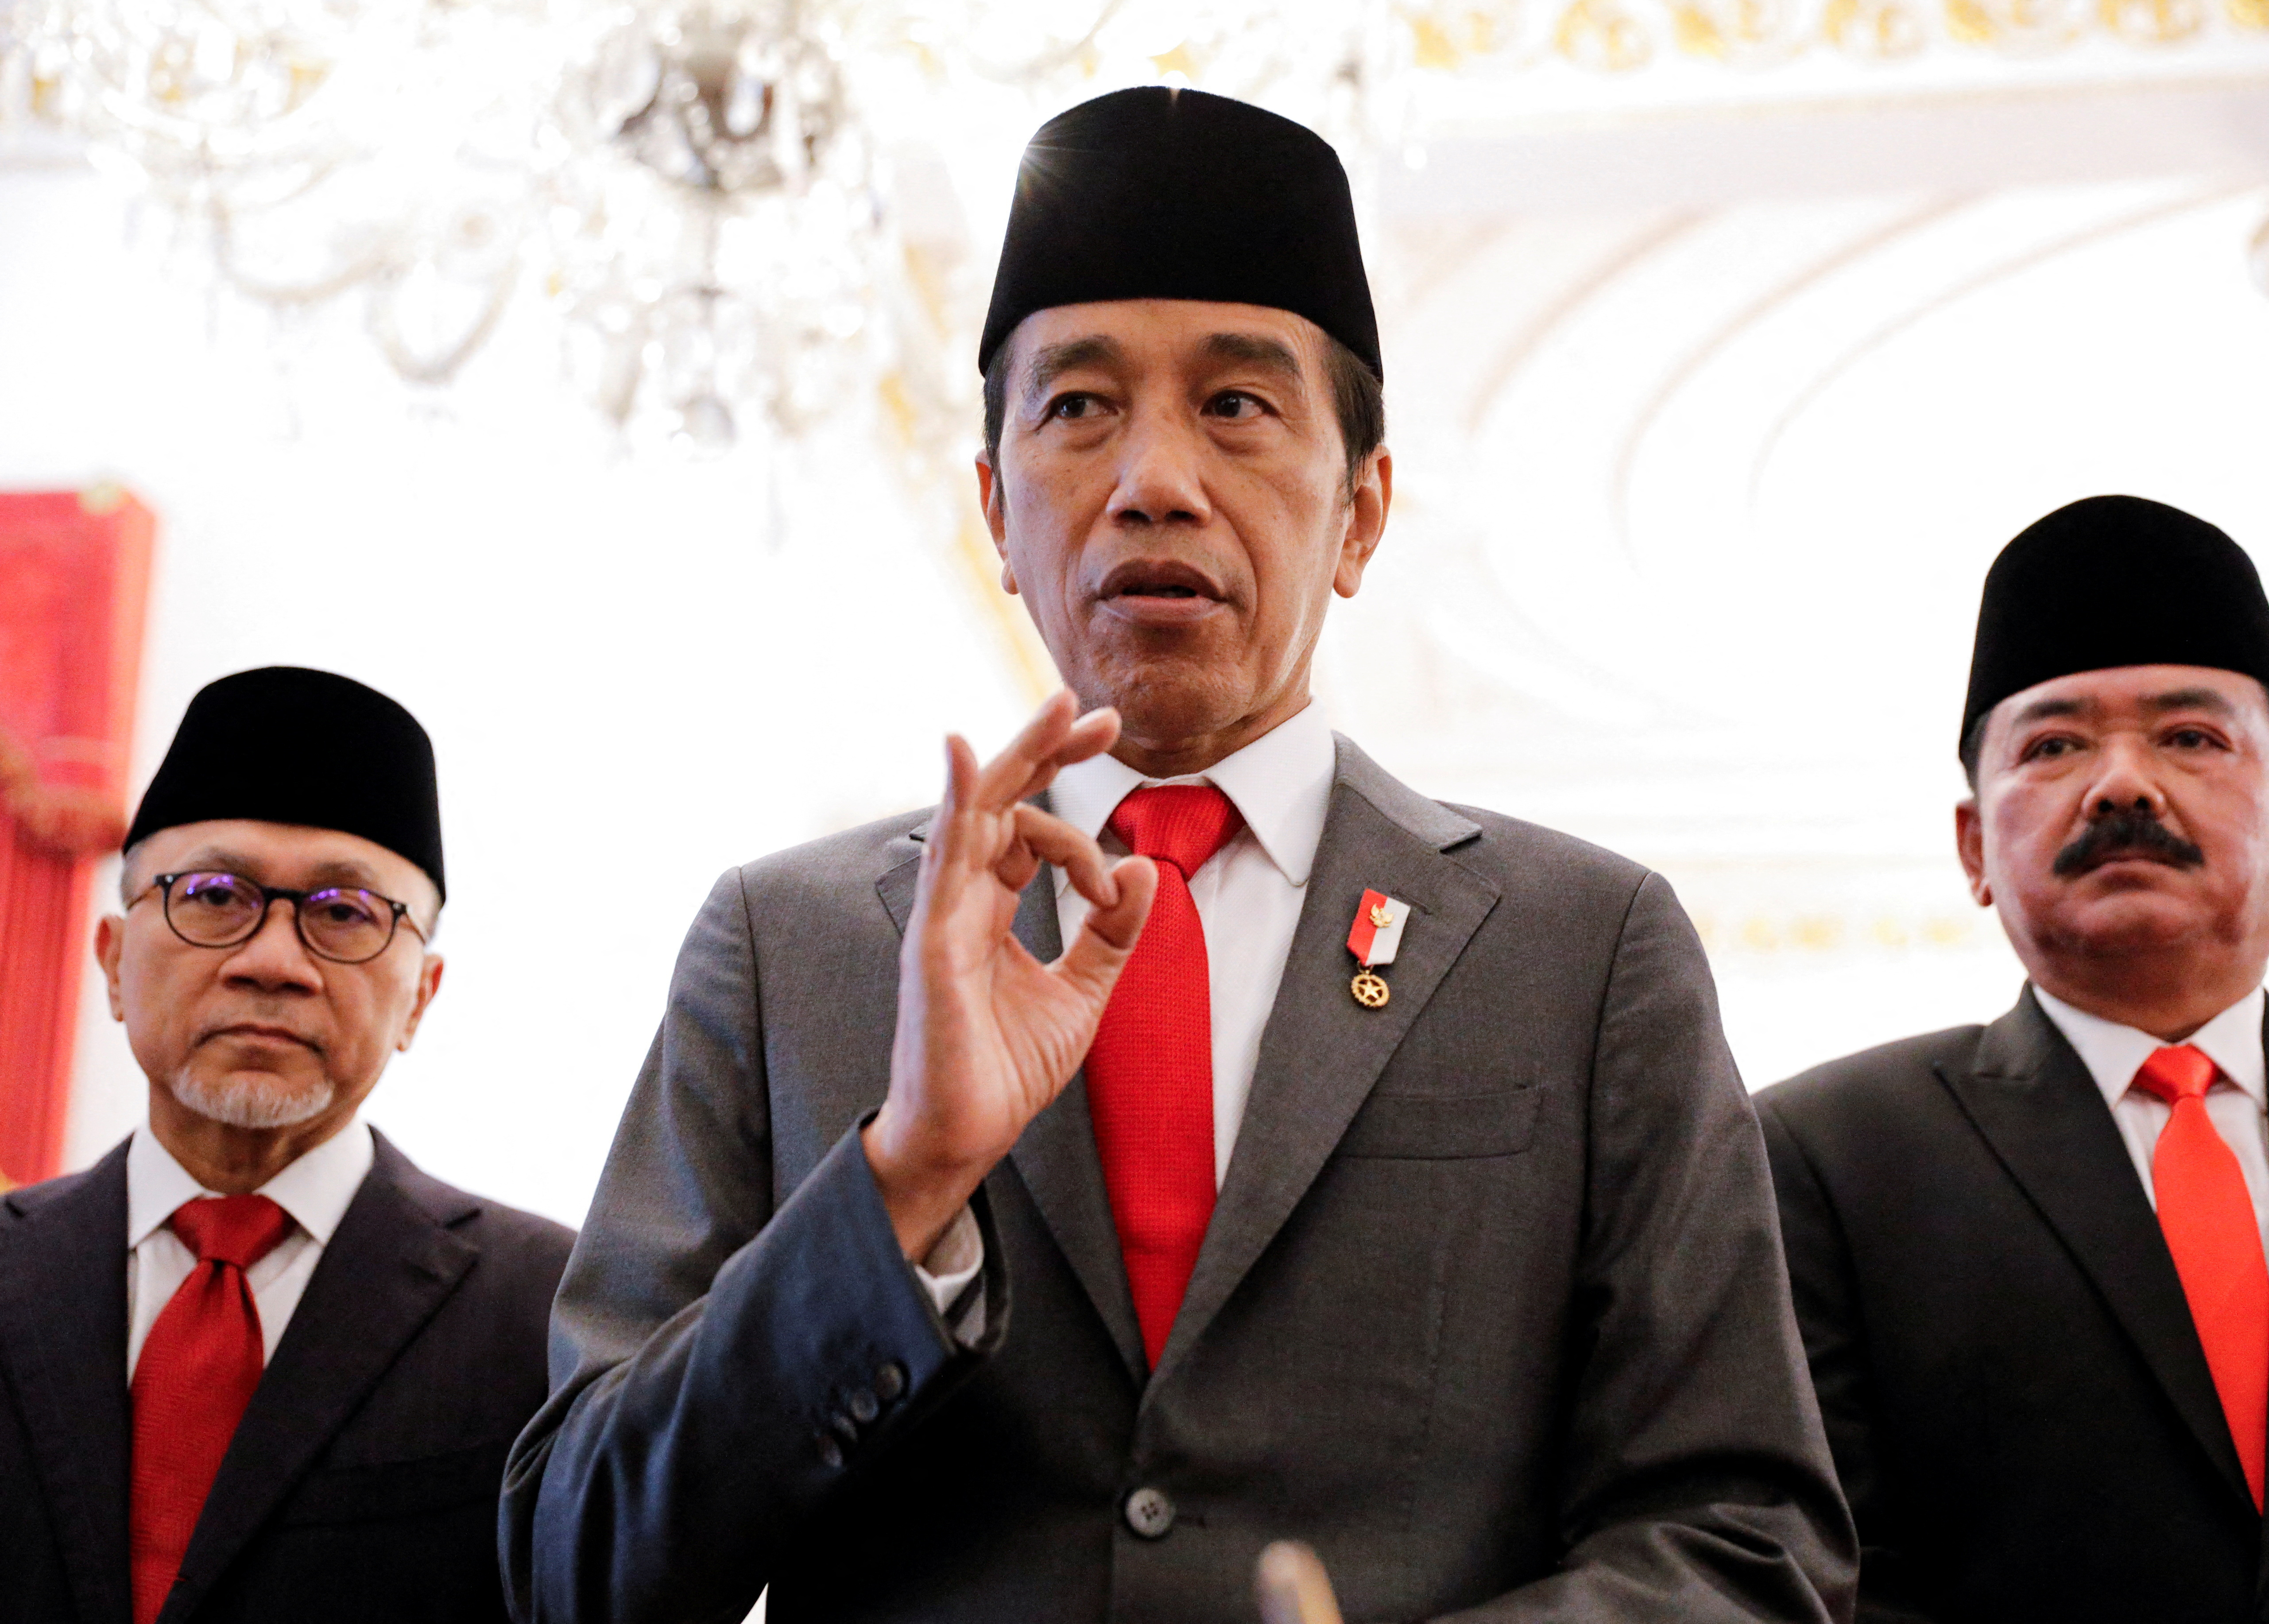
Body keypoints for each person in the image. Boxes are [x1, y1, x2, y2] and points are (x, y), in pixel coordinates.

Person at [503, 88, 1854, 1624]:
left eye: (1237, 405)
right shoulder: (787, 943)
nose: (1152, 476)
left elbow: (1746, 1542)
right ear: (997, 513)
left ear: (1363, 513)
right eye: (1077, 406)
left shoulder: (1582, 947)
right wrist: (905, 1179)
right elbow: (578, 1562)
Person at [1758, 495, 2269, 1623]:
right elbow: (1822, 1565)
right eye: (2054, 745)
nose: (2122, 785)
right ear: (1974, 846)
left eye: (2190, 738)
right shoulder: (1823, 1156)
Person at [0, 666, 573, 1624]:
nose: (272, 962)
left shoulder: (548, 1312)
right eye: (214, 895)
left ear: (419, 997)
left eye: (344, 913)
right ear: (112, 960)